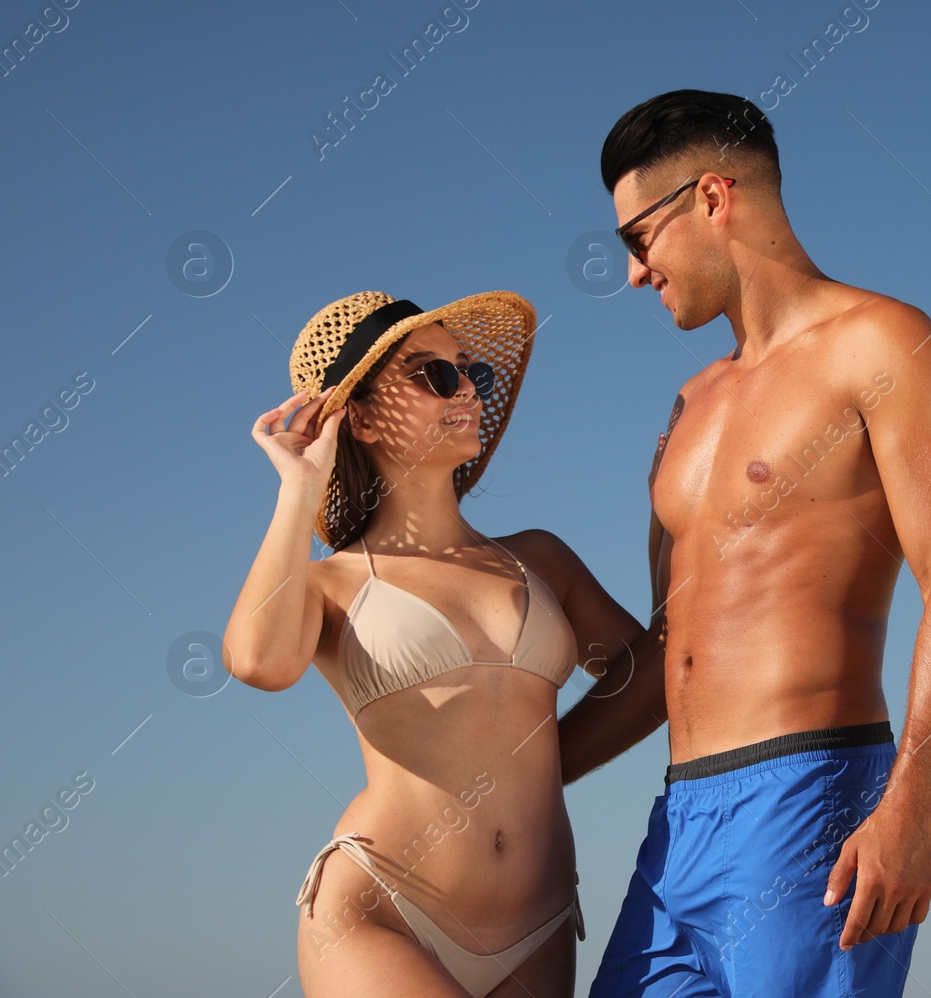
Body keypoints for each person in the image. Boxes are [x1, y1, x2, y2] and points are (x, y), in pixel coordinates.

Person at [559, 90, 931, 997]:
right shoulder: (687, 406)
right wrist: (506, 779)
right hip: (680, 820)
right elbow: (665, 648)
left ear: (713, 197)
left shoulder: (881, 343)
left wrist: (914, 807)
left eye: (637, 240)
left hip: (811, 798)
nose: (635, 275)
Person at [223, 290, 660, 998]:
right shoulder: (332, 583)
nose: (466, 391)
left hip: (538, 930)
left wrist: (543, 763)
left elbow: (651, 676)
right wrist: (298, 488)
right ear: (358, 416)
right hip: (381, 913)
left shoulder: (539, 560)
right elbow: (256, 662)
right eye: (433, 375)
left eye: (471, 373)